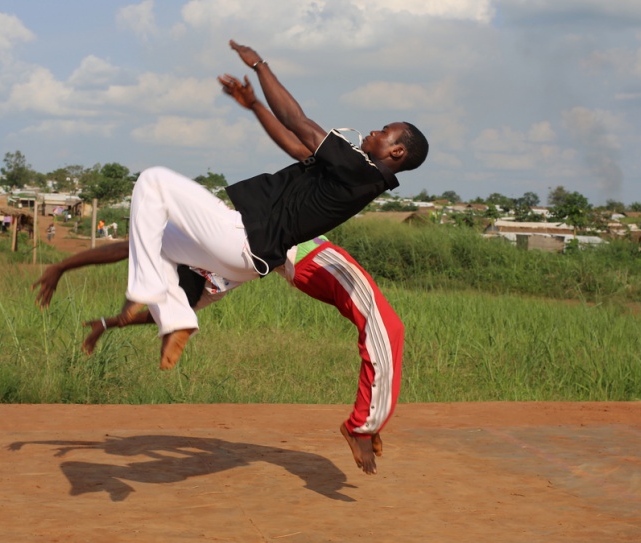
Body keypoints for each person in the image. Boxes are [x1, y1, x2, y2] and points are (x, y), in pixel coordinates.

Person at [117, 39, 428, 373]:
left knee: (153, 180)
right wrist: (254, 106)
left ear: (397, 152)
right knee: (159, 241)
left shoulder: (359, 168)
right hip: (251, 261)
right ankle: (178, 318)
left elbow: (298, 120)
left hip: (242, 238)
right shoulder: (359, 177)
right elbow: (297, 146)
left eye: (384, 131)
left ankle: (150, 292)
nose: (373, 131)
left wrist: (259, 65)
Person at [31, 233, 402, 476]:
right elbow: (168, 310)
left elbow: (124, 248)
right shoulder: (213, 281)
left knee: (385, 327)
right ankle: (365, 422)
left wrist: (63, 265)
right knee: (384, 326)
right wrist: (110, 322)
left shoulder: (194, 241)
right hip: (304, 260)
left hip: (305, 249)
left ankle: (368, 421)